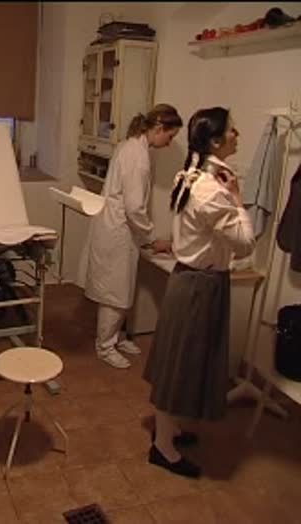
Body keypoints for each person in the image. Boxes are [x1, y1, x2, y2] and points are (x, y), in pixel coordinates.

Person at [143, 107, 256, 478]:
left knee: (181, 363)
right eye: (233, 130)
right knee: (180, 367)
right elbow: (245, 244)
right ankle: (163, 448)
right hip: (198, 287)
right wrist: (237, 198)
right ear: (216, 141)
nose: (238, 135)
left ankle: (169, 430)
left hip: (190, 280)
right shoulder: (212, 191)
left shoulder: (192, 175)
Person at [84, 104, 183, 369]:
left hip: (118, 228)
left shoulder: (131, 146)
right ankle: (105, 346)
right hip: (118, 230)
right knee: (115, 292)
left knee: (121, 288)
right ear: (159, 128)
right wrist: (152, 238)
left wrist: (146, 236)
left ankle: (116, 337)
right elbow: (134, 207)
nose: (168, 143)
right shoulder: (137, 156)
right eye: (170, 136)